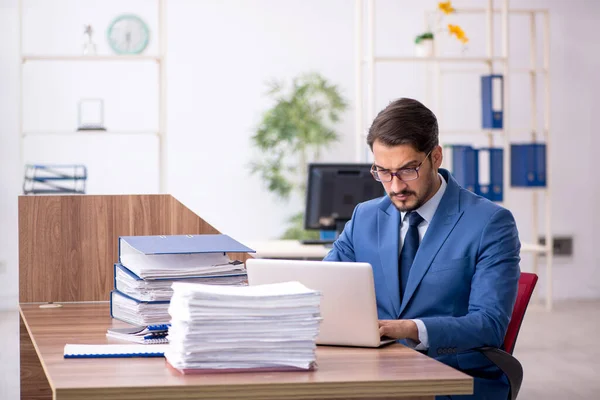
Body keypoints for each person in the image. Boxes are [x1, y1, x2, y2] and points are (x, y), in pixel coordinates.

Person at [323, 98, 520, 400]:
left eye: (407, 170)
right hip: (374, 371)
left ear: (436, 157)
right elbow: (324, 285)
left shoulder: (490, 223)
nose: (395, 186)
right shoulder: (366, 216)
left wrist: (410, 329)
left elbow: (489, 324)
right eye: (383, 172)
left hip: (453, 376)